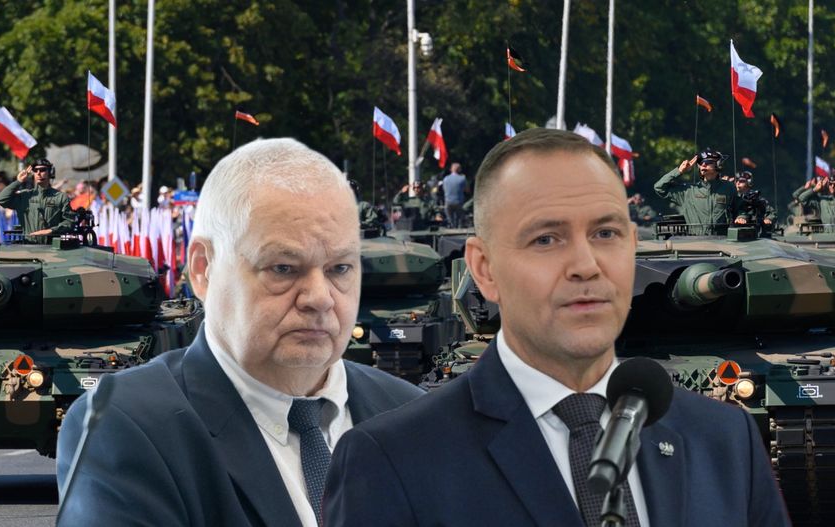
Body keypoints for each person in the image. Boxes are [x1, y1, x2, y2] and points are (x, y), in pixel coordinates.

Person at [324, 128, 789, 526]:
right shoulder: (394, 458)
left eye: (605, 233)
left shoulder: (724, 441)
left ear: (631, 246)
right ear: (484, 268)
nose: (586, 265)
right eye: (546, 238)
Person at [56, 138, 424, 526]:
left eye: (340, 268)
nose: (320, 298)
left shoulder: (415, 417)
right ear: (203, 269)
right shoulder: (123, 426)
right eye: (283, 268)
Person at [653, 149, 740, 234]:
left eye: (708, 162)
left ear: (718, 164)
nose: (703, 164)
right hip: (696, 240)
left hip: (722, 239)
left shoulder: (728, 188)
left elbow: (739, 207)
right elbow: (659, 187)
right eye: (701, 163)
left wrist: (742, 216)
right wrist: (679, 171)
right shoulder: (688, 191)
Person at [0, 158, 74, 240]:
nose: (38, 173)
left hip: (52, 245)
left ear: (50, 172)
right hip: (29, 245)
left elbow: (69, 221)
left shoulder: (61, 197)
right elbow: (1, 199)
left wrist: (51, 231)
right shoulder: (25, 196)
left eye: (42, 170)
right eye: (35, 170)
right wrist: (18, 181)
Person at [442, 162, 469, 228]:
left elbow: (444, 189)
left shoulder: (445, 179)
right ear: (459, 169)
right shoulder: (462, 178)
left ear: (451, 169)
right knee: (459, 220)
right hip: (459, 202)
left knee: (450, 221)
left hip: (448, 202)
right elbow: (467, 190)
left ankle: (451, 227)